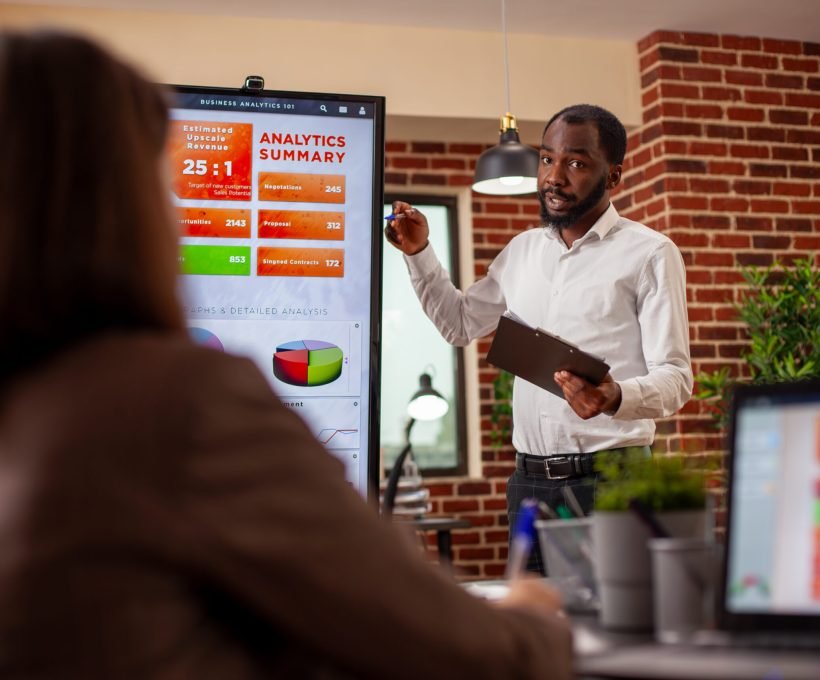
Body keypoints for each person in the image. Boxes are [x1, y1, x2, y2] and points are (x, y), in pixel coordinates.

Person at [0, 31, 574, 679]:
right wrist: (529, 618)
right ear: (113, 205)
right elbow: (447, 641)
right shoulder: (172, 401)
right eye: (158, 177)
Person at [385, 104, 693, 573]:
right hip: (528, 484)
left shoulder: (650, 253)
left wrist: (616, 396)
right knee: (531, 625)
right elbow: (459, 324)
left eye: (576, 162)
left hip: (613, 479)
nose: (554, 176)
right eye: (547, 159)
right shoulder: (523, 251)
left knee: (612, 630)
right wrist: (420, 253)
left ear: (613, 177)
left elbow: (676, 378)